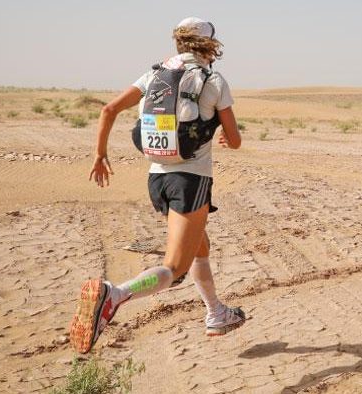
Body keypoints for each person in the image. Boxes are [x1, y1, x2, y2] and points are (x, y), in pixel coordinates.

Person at [69, 17, 244, 354]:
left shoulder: (154, 74)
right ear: (209, 45)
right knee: (175, 267)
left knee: (200, 245)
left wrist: (100, 154)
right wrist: (224, 136)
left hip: (157, 178)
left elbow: (108, 109)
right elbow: (235, 140)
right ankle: (116, 294)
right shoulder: (214, 80)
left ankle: (216, 312)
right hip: (190, 180)